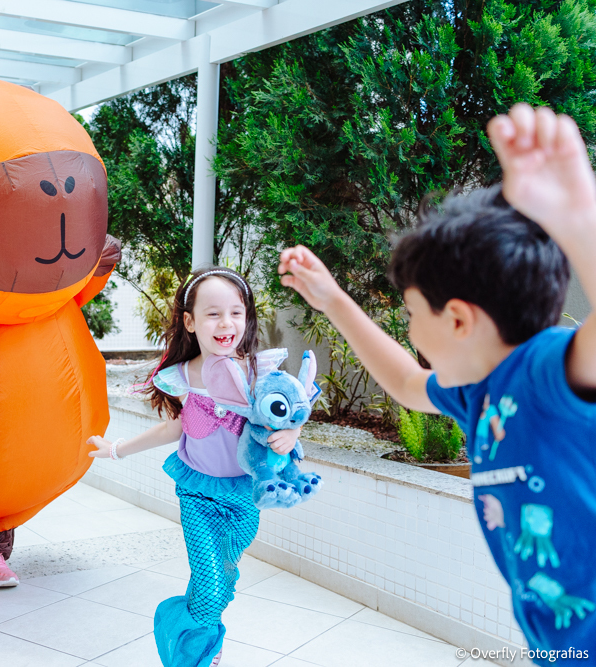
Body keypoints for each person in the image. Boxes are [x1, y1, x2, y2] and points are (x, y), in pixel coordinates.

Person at [278, 104, 596, 655]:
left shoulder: (547, 371)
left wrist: (575, 216)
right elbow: (404, 381)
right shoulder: (481, 391)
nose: (410, 331)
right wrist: (331, 300)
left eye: (409, 313)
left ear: (456, 320)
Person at [88, 266, 302, 667]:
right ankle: (199, 655)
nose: (226, 323)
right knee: (208, 586)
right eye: (213, 313)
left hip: (244, 498)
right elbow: (175, 429)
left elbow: (293, 409)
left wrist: (291, 435)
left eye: (236, 312)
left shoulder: (258, 372)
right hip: (198, 496)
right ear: (190, 321)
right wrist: (118, 448)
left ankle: (179, 625)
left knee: (218, 581)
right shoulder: (184, 376)